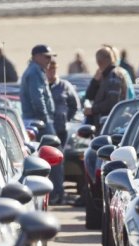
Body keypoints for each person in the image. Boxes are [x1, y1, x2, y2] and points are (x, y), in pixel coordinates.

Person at [46, 60, 80, 205]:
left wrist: (65, 117)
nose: (51, 71)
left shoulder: (64, 86)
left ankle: (58, 193)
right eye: (49, 69)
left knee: (58, 163)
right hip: (46, 130)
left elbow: (74, 105)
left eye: (54, 68)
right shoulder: (42, 86)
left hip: (60, 130)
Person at [84, 47, 128, 128]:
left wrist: (93, 110)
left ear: (99, 62)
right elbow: (89, 96)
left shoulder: (114, 76)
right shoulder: (105, 76)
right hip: (102, 124)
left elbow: (112, 103)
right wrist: (95, 81)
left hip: (109, 125)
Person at [20, 44, 56, 136]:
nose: (50, 60)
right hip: (37, 121)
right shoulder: (34, 72)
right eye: (47, 57)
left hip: (37, 120)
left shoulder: (36, 70)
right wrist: (44, 119)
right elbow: (37, 98)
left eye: (52, 57)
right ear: (36, 57)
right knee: (54, 146)